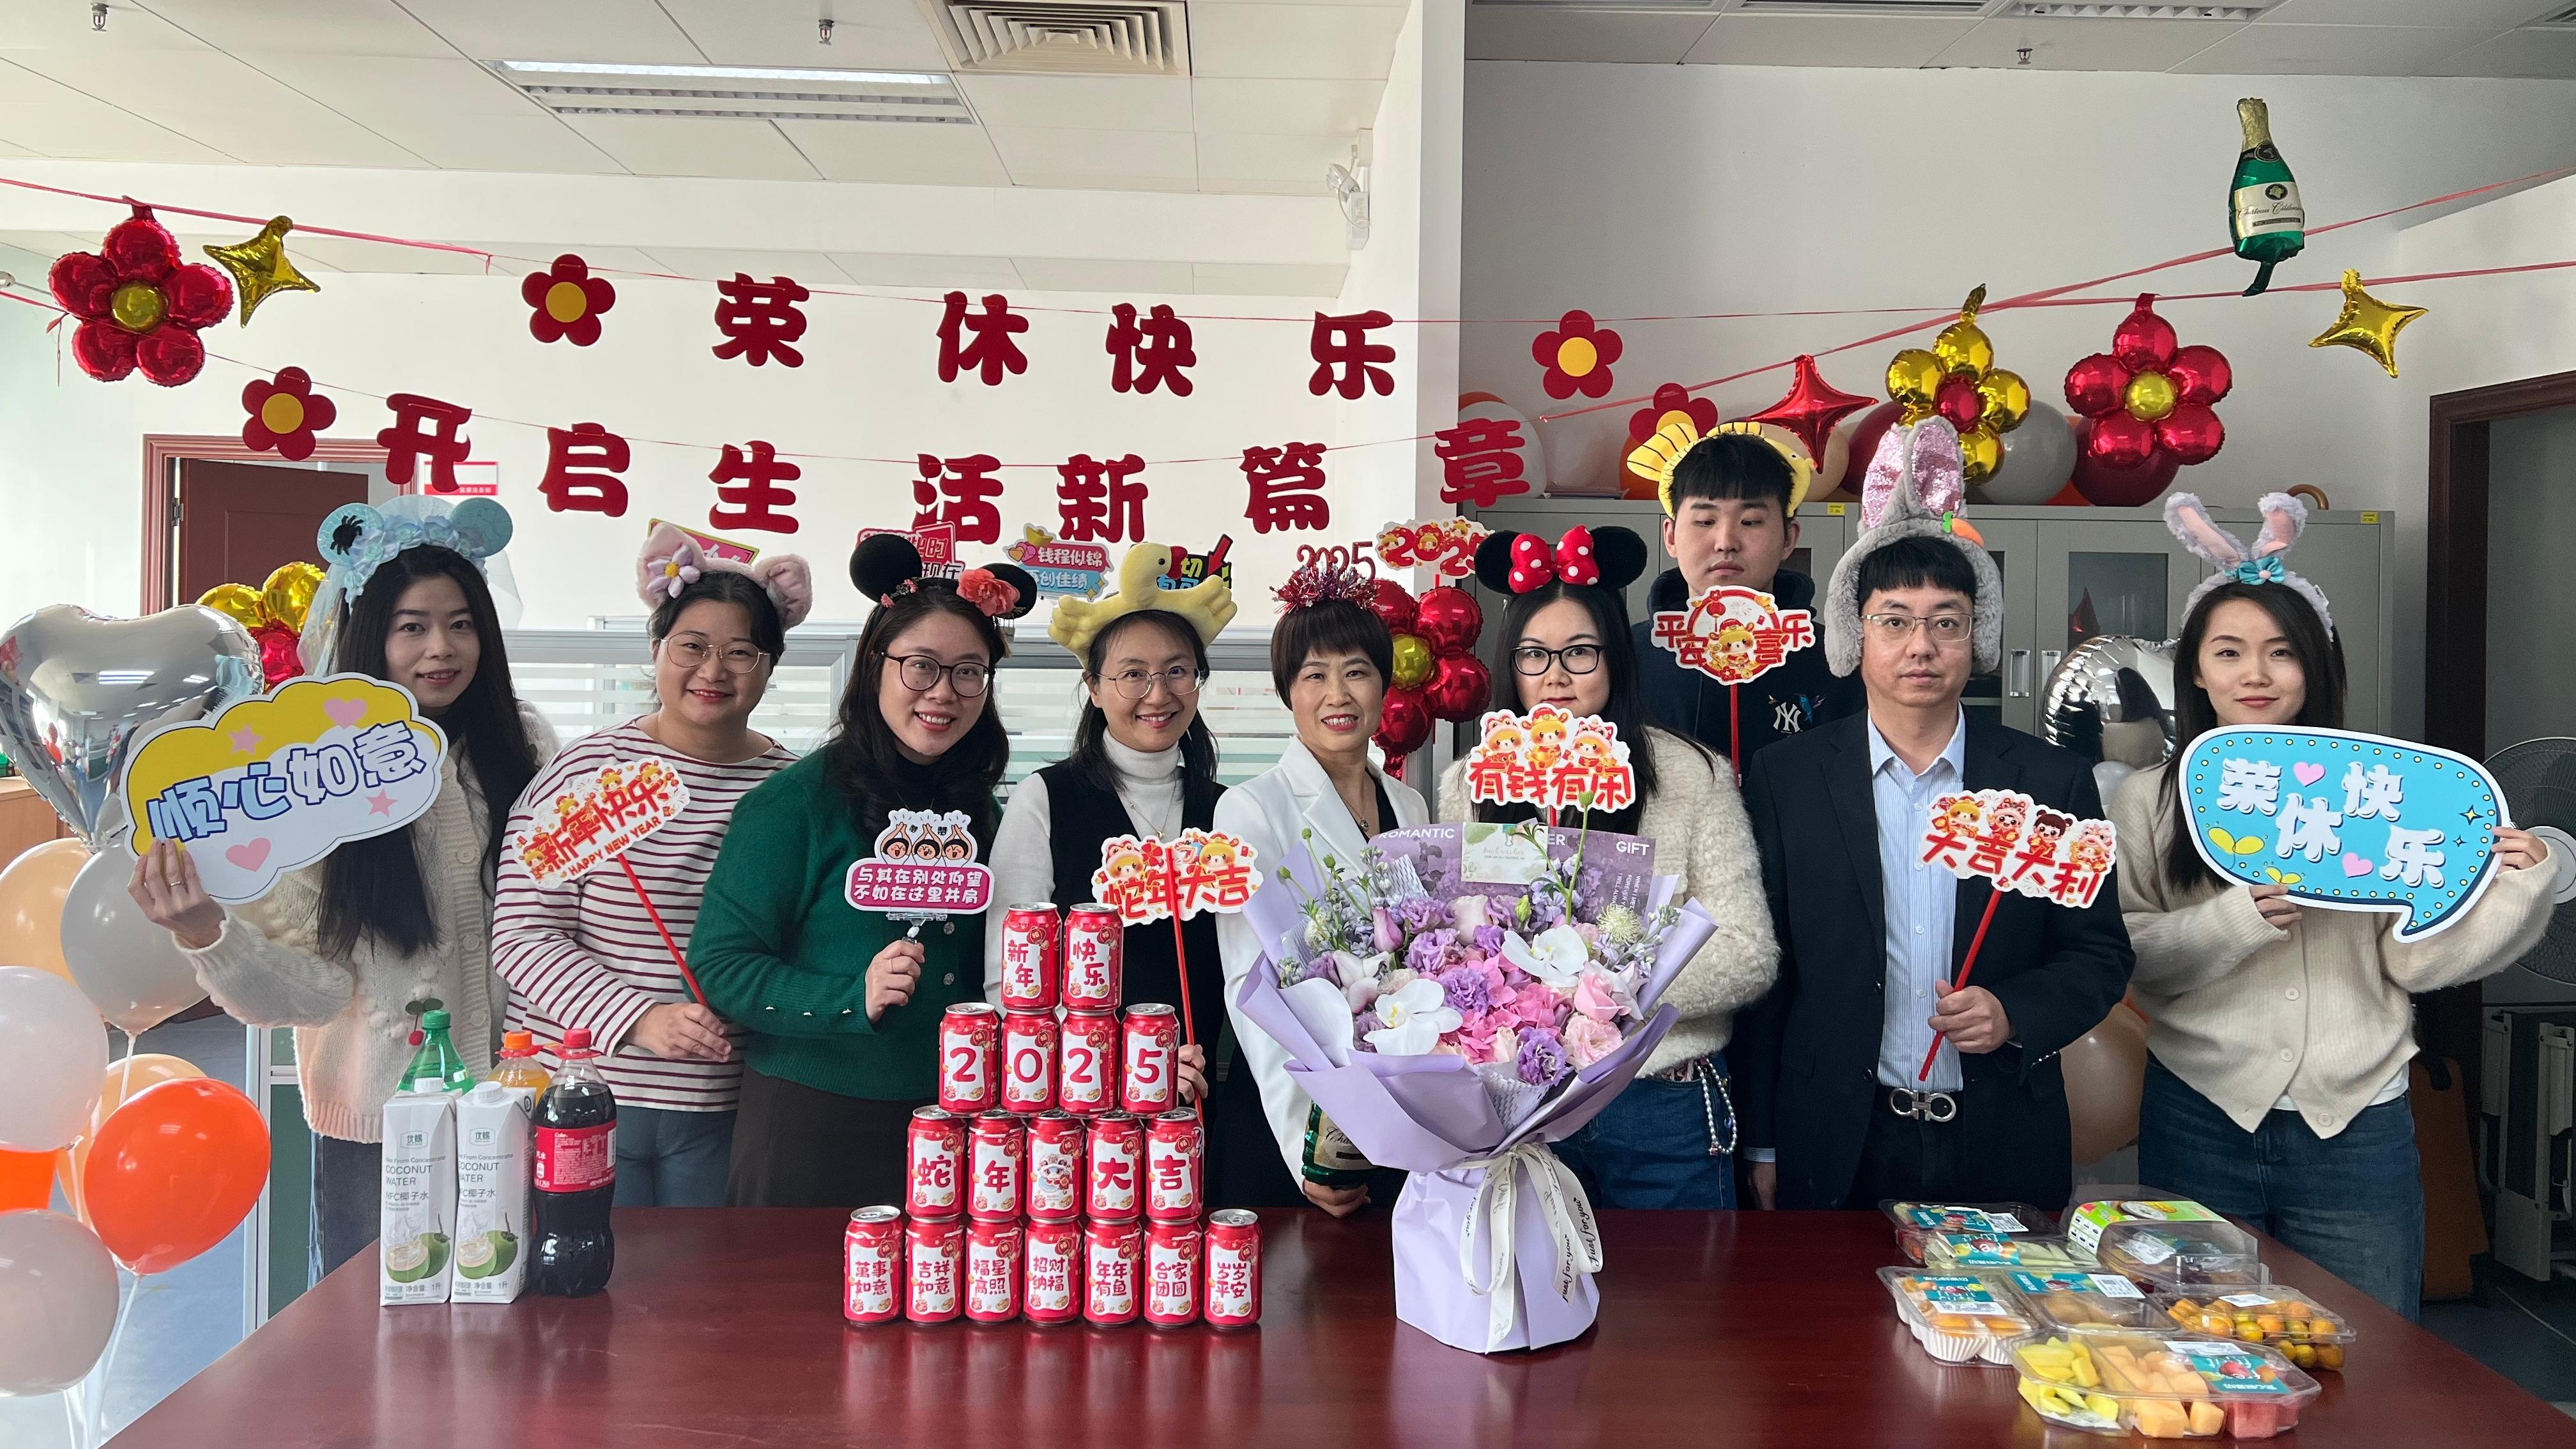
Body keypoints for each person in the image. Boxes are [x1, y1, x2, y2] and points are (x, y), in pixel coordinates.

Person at [2114, 493, 2555, 1320]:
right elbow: (2131, 955)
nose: (2255, 674)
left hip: (2359, 1123)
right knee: (2195, 1348)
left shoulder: (2383, 797)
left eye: (2282, 653)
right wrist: (2237, 920)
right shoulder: (2148, 801)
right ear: (2196, 669)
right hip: (2201, 1110)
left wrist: (2519, 888)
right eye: (2229, 651)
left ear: (2317, 666)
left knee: (2367, 1354)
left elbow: (2415, 960)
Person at [126, 497, 551, 1275]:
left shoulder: (526, 747)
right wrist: (207, 934)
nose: (441, 648)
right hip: (379, 1136)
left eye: (461, 624)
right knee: (380, 1335)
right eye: (412, 626)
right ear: (368, 635)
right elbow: (310, 994)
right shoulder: (311, 779)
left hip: (520, 1106)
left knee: (516, 1326)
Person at [1735, 418, 2133, 1211]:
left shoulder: (2048, 780)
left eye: (1946, 622)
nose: (1921, 645)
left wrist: (2015, 1011)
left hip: (2000, 1136)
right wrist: (1765, 1139)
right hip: (1839, 1138)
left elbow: (2098, 954)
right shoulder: (1791, 777)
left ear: (1974, 637)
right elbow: (1769, 970)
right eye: (1894, 620)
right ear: (1855, 634)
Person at [1437, 525, 1779, 1209]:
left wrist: (1605, 985)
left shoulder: (1693, 776)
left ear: (1616, 656)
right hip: (1521, 1104)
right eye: (1534, 654)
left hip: (1660, 1105)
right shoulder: (1470, 783)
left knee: (1675, 1284)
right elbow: (1449, 946)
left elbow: (1750, 953)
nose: (1556, 675)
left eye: (1580, 652)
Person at [690, 537, 1037, 1208]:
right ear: (875, 664)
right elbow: (718, 968)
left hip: (958, 1118)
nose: (944, 692)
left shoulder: (986, 814)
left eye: (969, 671)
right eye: (921, 666)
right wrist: (853, 996)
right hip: (812, 1120)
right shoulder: (793, 803)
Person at [490, 525, 809, 1207]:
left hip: (729, 1100)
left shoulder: (795, 789)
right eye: (691, 646)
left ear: (770, 665)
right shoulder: (587, 772)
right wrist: (638, 1017)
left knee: (707, 1275)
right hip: (580, 1089)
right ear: (657, 648)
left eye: (740, 652)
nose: (713, 671)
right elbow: (521, 933)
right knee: (586, 1265)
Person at [984, 546, 1235, 1166]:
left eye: (1178, 671)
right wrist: (1129, 1062)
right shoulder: (1046, 799)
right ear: (1094, 687)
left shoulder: (1230, 810)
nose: (1158, 693)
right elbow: (1007, 978)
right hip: (1075, 1113)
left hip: (1200, 1106)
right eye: (1132, 674)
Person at [1213, 561, 1429, 1214]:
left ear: (1384, 684)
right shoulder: (1251, 810)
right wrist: (1307, 1148)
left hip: (1398, 1100)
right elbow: (1252, 988)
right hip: (1298, 1113)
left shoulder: (1410, 806)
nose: (1338, 695)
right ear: (1288, 691)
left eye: (1356, 672)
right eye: (1315, 675)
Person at [1625, 420, 1859, 775]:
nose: (1726, 542)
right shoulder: (1625, 658)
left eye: (1750, 522)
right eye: (1705, 521)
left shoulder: (1837, 660)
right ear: (1670, 537)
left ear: (1788, 539)